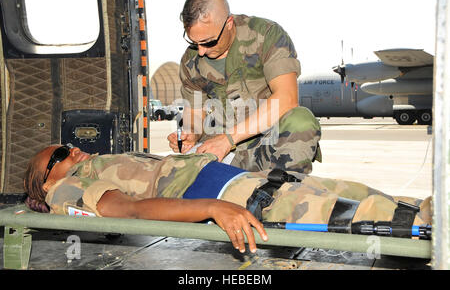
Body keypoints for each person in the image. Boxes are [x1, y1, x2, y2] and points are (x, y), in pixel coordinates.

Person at [24, 145, 431, 253]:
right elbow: (125, 210)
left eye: (68, 147)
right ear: (44, 182)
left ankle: (430, 214)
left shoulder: (89, 166)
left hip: (242, 181)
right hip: (222, 194)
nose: (72, 151)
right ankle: (434, 229)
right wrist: (212, 208)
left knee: (356, 193)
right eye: (59, 156)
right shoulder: (65, 190)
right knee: (358, 215)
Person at [167, 0, 321, 174]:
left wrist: (228, 139)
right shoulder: (191, 60)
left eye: (208, 42)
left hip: (267, 148)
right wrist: (191, 134)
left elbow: (286, 98)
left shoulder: (266, 37)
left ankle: (281, 188)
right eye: (194, 42)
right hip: (219, 154)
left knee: (301, 120)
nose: (200, 51)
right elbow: (195, 113)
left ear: (229, 23)